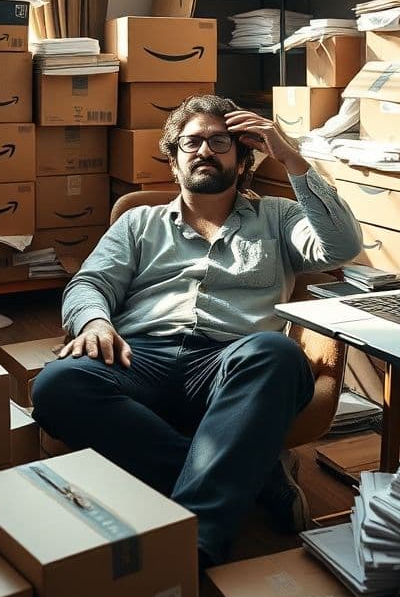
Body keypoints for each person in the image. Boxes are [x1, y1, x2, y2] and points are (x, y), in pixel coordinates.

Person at [31, 94, 362, 568]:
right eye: (192, 142)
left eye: (220, 141)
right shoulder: (138, 222)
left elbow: (342, 246)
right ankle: (253, 473)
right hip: (140, 355)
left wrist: (290, 155)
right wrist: (95, 320)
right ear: (174, 157)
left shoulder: (278, 216)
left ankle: (194, 544)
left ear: (243, 155)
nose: (204, 150)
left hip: (233, 365)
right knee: (57, 384)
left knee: (277, 353)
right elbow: (91, 282)